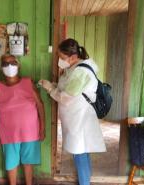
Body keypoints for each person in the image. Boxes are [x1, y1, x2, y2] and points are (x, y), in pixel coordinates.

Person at [39, 38, 106, 185]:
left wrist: (50, 88)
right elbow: (67, 88)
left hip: (80, 119)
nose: (60, 60)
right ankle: (85, 182)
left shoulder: (81, 71)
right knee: (82, 152)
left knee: (80, 154)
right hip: (75, 118)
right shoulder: (74, 68)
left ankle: (84, 183)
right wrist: (53, 85)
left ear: (73, 57)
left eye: (62, 58)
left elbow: (66, 97)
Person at [0, 54, 45, 185]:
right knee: (11, 163)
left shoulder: (28, 82)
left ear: (18, 65)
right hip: (8, 133)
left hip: (30, 132)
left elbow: (40, 105)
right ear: (0, 68)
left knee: (28, 162)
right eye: (5, 63)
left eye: (12, 62)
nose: (9, 66)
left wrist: (43, 128)